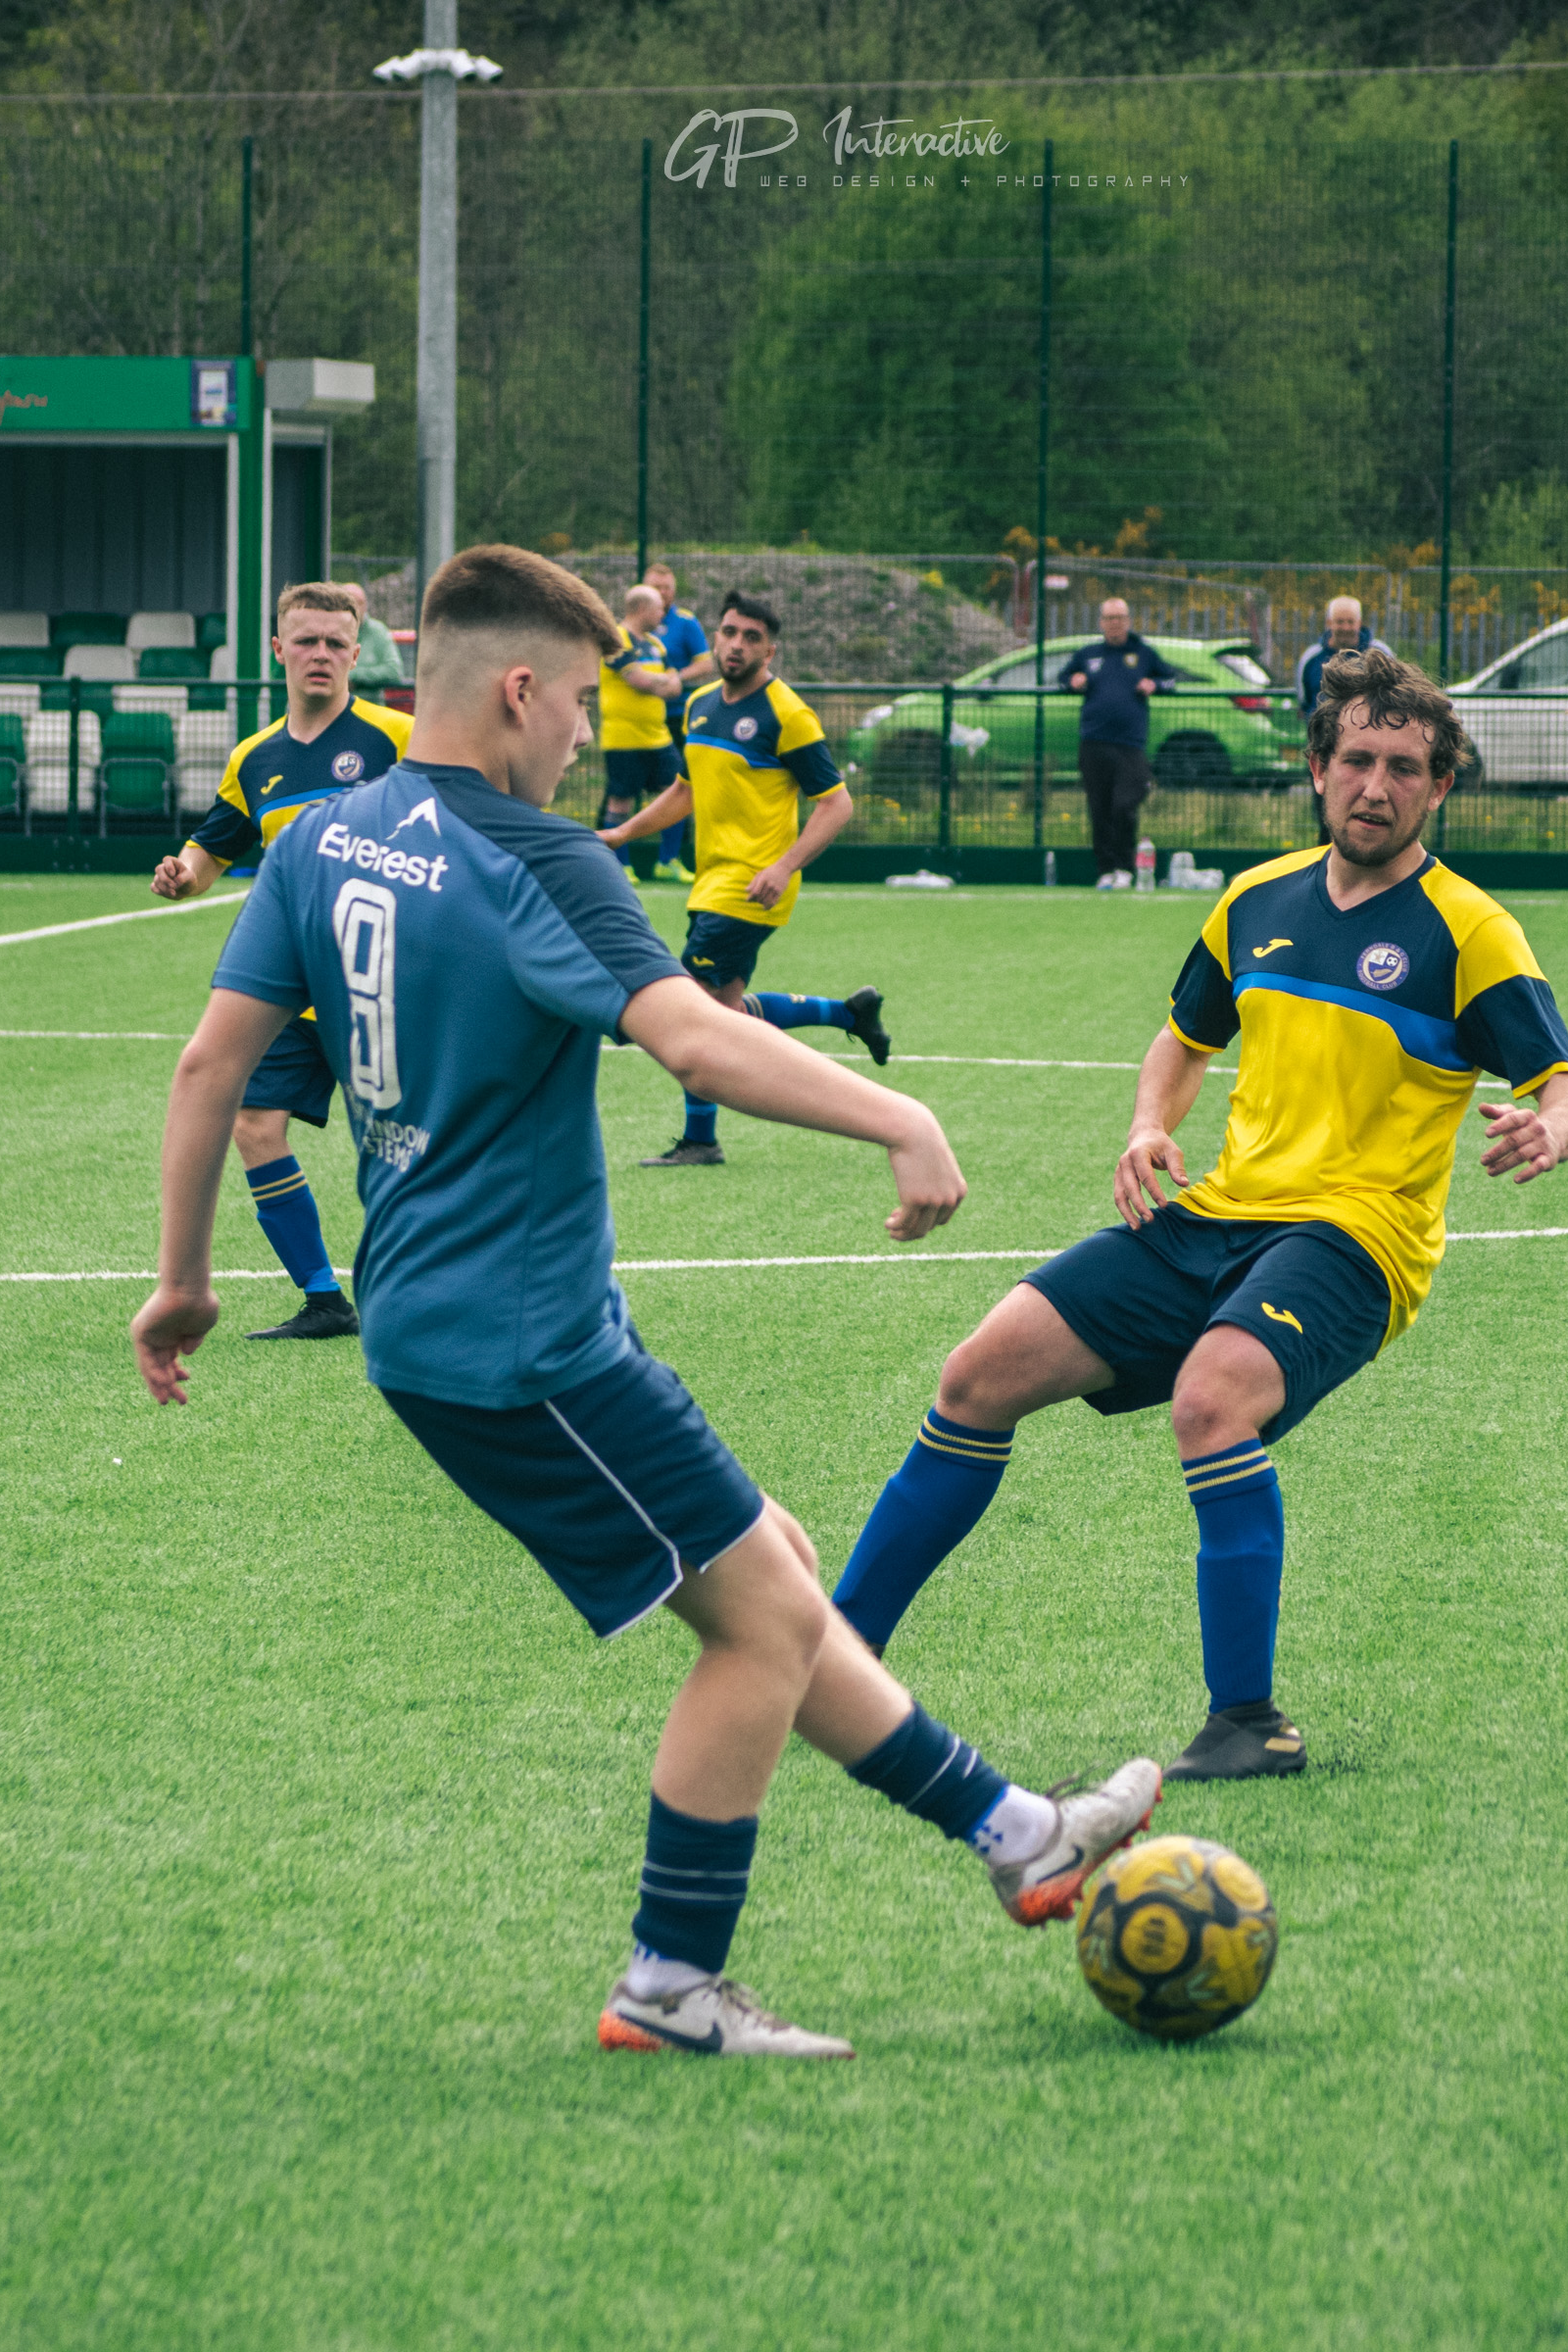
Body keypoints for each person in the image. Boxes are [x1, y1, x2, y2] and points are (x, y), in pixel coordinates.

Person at [127, 544, 1160, 2058]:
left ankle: (1017, 1834)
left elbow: (208, 1065)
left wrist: (182, 1281)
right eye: (591, 707)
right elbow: (693, 1039)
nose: (597, 741)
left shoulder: (328, 837)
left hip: (444, 1317)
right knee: (758, 1626)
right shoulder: (547, 860)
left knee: (780, 1571)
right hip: (521, 1339)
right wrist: (898, 1116)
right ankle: (671, 1983)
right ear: (525, 690)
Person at [830, 648, 1568, 1781]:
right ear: (1317, 768)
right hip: (1220, 1214)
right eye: (1355, 761)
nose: (1374, 787)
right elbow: (1185, 1038)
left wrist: (1552, 1126)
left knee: (1212, 1400)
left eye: (1403, 768)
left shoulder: (1467, 929)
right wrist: (1150, 1124)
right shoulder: (1255, 901)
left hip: (1355, 1238)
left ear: (1440, 787)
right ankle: (835, 1654)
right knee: (978, 1373)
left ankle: (1249, 1722)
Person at [150, 582, 412, 1340]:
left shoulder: (399, 737)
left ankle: (454, 1287)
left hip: (385, 980)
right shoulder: (254, 758)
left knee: (412, 1142)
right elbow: (213, 849)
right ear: (278, 651)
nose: (321, 655)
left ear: (356, 655)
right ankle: (326, 1299)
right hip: (297, 986)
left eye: (336, 643)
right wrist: (182, 875)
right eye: (306, 641)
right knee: (256, 1122)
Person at [598, 591, 894, 1166]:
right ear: (716, 637)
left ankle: (701, 1139)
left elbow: (836, 805)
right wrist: (619, 835)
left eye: (750, 637)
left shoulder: (789, 715)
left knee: (690, 1010)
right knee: (724, 1013)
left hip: (752, 887)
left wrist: (783, 867)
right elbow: (684, 791)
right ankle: (848, 1013)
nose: (736, 644)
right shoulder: (701, 704)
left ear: (770, 649)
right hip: (710, 882)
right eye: (729, 632)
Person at [1061, 598, 1176, 889]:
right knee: (1098, 807)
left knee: (1124, 804)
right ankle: (1106, 869)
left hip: (1130, 744)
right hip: (1093, 741)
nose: (1114, 623)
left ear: (1128, 620)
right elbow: (1062, 678)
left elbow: (1171, 680)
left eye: (1120, 618)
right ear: (1101, 622)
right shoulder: (1088, 654)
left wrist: (1155, 685)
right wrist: (1072, 681)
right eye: (1109, 618)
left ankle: (1126, 865)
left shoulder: (1144, 653)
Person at [595, 584, 684, 882]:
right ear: (643, 609)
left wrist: (657, 681)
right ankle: (620, 864)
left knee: (676, 793)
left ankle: (668, 861)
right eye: (659, 607)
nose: (664, 612)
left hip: (657, 737)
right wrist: (660, 682)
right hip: (624, 739)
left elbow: (675, 684)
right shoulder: (616, 639)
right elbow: (637, 680)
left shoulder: (656, 645)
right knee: (621, 800)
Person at [642, 563, 714, 876]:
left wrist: (676, 678)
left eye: (666, 587)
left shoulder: (685, 623)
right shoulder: (630, 626)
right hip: (638, 723)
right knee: (621, 791)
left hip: (677, 720)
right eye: (655, 587)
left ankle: (669, 858)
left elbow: (706, 663)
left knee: (678, 786)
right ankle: (615, 859)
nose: (661, 593)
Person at [1295, 596, 1390, 718]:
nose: (1345, 627)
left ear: (1359, 623)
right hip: (1323, 734)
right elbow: (1304, 700)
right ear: (1329, 623)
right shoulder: (1311, 658)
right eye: (1339, 622)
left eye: (1351, 622)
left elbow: (1392, 695)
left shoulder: (1381, 655)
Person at [346, 581, 410, 695]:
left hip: (370, 708)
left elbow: (394, 671)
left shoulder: (378, 631)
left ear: (366, 605)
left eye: (360, 603)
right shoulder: (328, 630)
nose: (355, 608)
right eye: (350, 603)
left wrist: (351, 676)